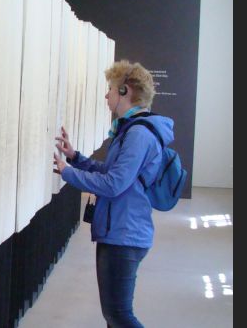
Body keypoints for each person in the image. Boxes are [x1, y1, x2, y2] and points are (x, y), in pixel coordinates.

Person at [53, 59, 175, 328]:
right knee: (115, 316)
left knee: (118, 315)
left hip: (124, 233)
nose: (106, 96)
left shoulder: (138, 134)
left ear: (124, 91)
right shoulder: (132, 130)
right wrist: (75, 158)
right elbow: (112, 172)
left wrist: (67, 172)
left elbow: (113, 184)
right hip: (120, 229)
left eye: (110, 89)